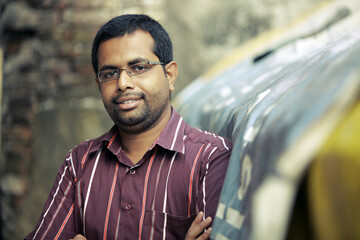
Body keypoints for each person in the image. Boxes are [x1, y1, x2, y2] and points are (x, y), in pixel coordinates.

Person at [25, 14, 232, 240]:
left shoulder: (211, 158)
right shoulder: (79, 163)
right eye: (110, 73)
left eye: (139, 67)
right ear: (99, 84)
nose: (123, 83)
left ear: (170, 75)